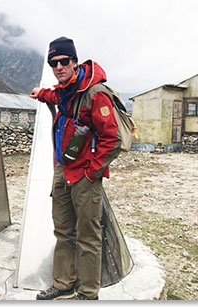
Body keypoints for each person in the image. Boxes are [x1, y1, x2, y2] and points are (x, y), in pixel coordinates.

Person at [30, 37, 121, 300]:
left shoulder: (95, 93)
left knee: (88, 236)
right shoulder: (64, 90)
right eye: (53, 63)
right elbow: (54, 94)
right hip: (63, 169)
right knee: (63, 231)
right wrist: (40, 92)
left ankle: (89, 293)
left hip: (84, 175)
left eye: (64, 61)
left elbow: (111, 138)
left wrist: (92, 172)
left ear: (75, 62)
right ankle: (63, 283)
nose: (59, 67)